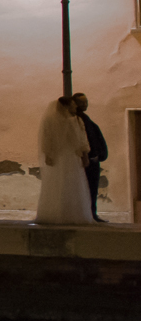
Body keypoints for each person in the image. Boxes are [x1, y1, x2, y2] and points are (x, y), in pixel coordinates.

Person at [36, 95, 94, 225]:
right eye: (73, 104)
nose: (75, 106)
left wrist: (48, 155)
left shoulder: (49, 120)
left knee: (57, 183)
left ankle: (53, 213)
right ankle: (73, 214)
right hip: (71, 156)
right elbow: (81, 141)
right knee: (73, 183)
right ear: (67, 106)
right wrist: (85, 155)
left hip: (58, 157)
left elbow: (46, 139)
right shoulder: (75, 121)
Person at [75, 92, 109, 221]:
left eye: (86, 102)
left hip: (93, 160)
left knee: (93, 189)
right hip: (85, 162)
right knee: (86, 189)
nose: (85, 105)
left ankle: (92, 213)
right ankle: (88, 214)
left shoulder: (85, 118)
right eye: (82, 103)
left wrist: (100, 154)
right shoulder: (77, 119)